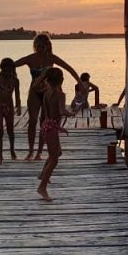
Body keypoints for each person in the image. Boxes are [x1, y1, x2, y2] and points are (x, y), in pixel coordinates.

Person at [14, 34, 80, 161]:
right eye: (37, 46)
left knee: (44, 121)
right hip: (34, 92)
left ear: (47, 46)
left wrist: (80, 83)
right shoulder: (30, 58)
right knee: (32, 121)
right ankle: (30, 151)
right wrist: (9, 77)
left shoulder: (51, 58)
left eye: (42, 46)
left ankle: (39, 152)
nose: (39, 48)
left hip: (47, 93)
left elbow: (69, 69)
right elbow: (12, 65)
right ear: (35, 46)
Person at [37, 68, 72, 201]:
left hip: (47, 125)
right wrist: (72, 112)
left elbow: (48, 115)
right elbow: (62, 111)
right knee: (54, 159)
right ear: (61, 80)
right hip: (51, 128)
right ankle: (42, 187)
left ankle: (42, 175)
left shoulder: (46, 93)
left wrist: (59, 128)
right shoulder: (60, 95)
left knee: (57, 153)